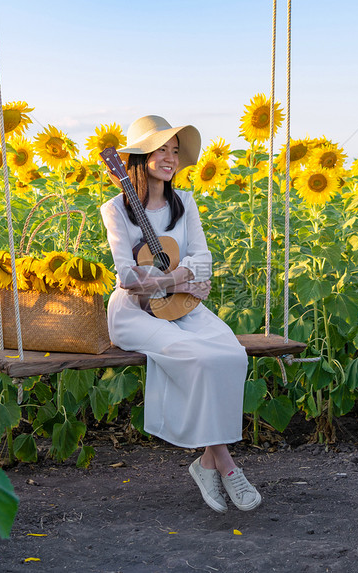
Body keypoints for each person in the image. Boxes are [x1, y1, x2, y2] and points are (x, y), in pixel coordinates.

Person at [99, 115, 261, 513]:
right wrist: (178, 280)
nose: (170, 158)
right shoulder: (116, 208)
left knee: (232, 354)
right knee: (199, 357)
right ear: (139, 157)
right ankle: (224, 464)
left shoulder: (184, 203)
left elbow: (203, 257)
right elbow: (126, 276)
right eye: (161, 150)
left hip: (182, 307)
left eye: (175, 151)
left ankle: (206, 461)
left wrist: (180, 279)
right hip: (135, 315)